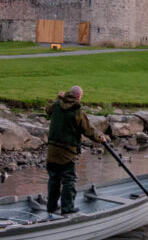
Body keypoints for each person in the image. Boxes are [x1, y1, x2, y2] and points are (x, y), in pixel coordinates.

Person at [45, 85, 108, 214]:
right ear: (79, 97)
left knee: (54, 178)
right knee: (69, 179)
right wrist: (101, 139)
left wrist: (58, 98)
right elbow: (88, 131)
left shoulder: (57, 105)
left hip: (52, 150)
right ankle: (67, 208)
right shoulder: (77, 111)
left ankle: (51, 206)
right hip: (67, 151)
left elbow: (47, 110)